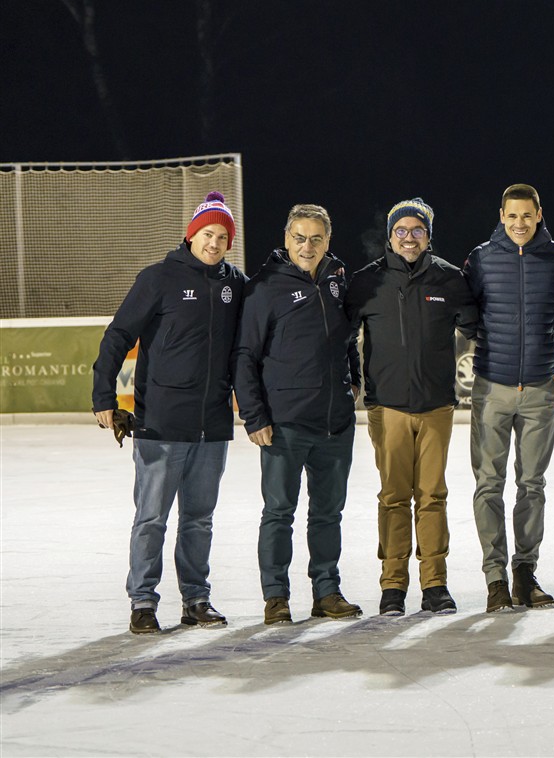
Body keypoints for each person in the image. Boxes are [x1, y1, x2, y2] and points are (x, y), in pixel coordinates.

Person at [92, 192, 247, 634]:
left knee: (199, 520)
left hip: (212, 424)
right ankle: (143, 601)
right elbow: (118, 335)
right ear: (191, 234)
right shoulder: (158, 278)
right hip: (161, 422)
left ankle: (196, 599)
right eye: (207, 234)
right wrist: (103, 396)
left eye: (222, 237)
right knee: (151, 519)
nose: (214, 243)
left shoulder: (236, 284)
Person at [347, 198, 477, 617]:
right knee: (393, 497)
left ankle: (435, 583)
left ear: (428, 236)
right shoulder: (367, 282)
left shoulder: (450, 279)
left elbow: (478, 326)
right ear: (390, 236)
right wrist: (351, 381)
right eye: (401, 230)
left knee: (432, 496)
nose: (409, 237)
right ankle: (393, 585)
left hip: (436, 407)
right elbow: (341, 337)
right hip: (387, 409)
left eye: (417, 230)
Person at [235, 203, 363, 624]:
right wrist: (254, 416)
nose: (307, 247)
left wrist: (354, 380)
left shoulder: (337, 280)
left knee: (328, 514)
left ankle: (327, 591)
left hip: (335, 423)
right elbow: (245, 354)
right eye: (299, 238)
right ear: (286, 239)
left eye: (316, 239)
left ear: (328, 241)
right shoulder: (264, 287)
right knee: (279, 513)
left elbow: (347, 338)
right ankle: (276, 597)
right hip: (284, 424)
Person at [463, 184, 554, 613]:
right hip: (492, 387)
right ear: (501, 216)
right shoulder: (482, 258)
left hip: (539, 389)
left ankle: (525, 573)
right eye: (512, 216)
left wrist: (548, 328)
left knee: (531, 485)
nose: (519, 223)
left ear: (539, 214)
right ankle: (495, 579)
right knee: (489, 483)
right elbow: (467, 314)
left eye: (527, 215)